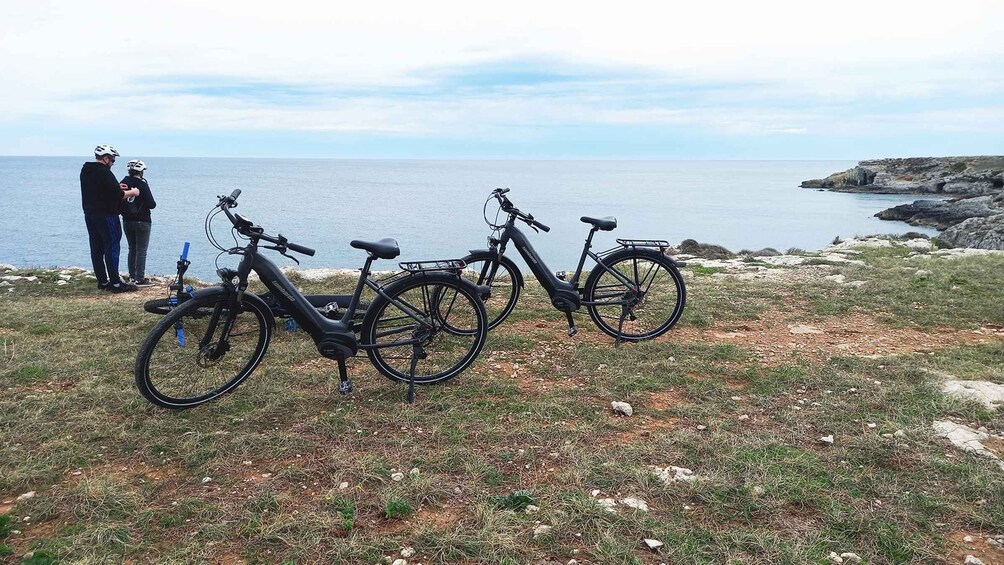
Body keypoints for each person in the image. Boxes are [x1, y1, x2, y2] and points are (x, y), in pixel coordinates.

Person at [80, 144, 139, 292]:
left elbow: (102, 190)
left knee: (96, 248)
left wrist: (118, 189)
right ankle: (116, 283)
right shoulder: (104, 172)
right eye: (112, 160)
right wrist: (133, 192)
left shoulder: (86, 170)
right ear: (106, 158)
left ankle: (103, 282)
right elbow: (117, 195)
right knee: (112, 246)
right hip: (107, 215)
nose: (112, 163)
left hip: (90, 215)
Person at [120, 159, 157, 286]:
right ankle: (140, 278)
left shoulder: (122, 183)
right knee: (141, 250)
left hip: (127, 220)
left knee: (132, 248)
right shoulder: (142, 184)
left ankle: (132, 276)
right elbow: (152, 204)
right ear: (141, 172)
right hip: (142, 221)